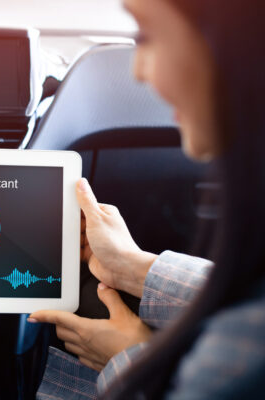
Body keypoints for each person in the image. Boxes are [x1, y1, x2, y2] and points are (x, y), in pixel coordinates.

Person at [29, 0, 265, 398]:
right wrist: (134, 268)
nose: (138, 71)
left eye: (148, 35)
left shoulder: (240, 351)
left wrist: (127, 358)